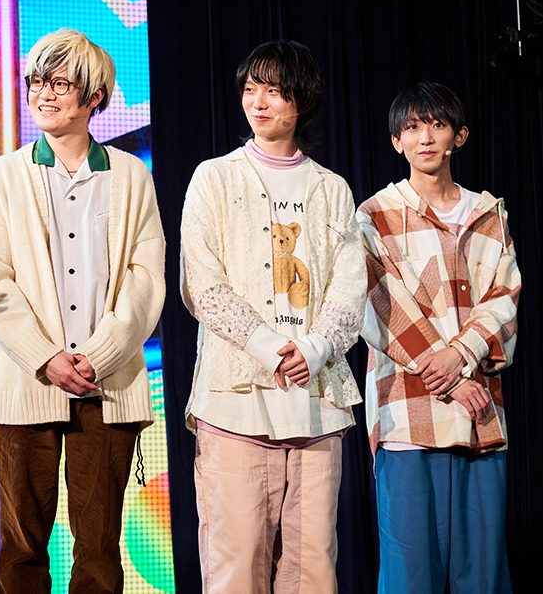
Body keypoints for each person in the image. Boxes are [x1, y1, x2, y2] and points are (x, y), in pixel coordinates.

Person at [0, 28, 165, 593]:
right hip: (25, 380)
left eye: (59, 83)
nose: (43, 94)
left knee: (99, 549)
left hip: (107, 384)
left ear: (94, 96)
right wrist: (46, 356)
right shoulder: (4, 175)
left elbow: (146, 277)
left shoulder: (130, 174)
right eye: (36, 81)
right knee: (22, 549)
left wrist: (99, 355)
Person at [180, 40, 365, 594]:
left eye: (274, 91)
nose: (257, 103)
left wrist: (314, 349)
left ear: (301, 100)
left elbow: (350, 286)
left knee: (312, 570)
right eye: (249, 89)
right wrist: (267, 347)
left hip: (315, 407)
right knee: (236, 567)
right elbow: (201, 281)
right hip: (234, 402)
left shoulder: (332, 189)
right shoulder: (214, 177)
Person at [358, 81, 520, 593]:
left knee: (483, 576)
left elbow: (504, 299)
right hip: (409, 417)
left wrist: (461, 355)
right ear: (396, 142)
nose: (424, 137)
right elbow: (380, 304)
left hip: (479, 417)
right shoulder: (375, 215)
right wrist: (448, 373)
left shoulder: (489, 215)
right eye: (411, 127)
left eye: (436, 125)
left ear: (459, 136)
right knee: (410, 577)